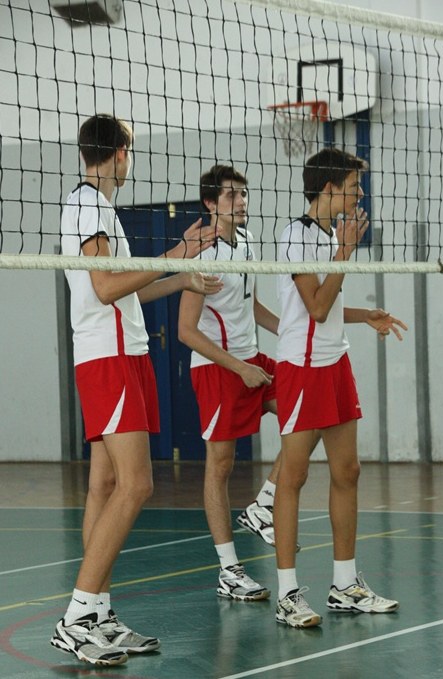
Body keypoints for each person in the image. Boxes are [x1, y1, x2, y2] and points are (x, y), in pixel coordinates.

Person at [50, 113, 222, 666]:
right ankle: (77, 617)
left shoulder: (100, 208)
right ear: (121, 152)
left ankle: (97, 613)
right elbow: (105, 288)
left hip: (122, 352)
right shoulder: (87, 204)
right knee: (137, 484)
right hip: (110, 358)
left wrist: (180, 273)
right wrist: (172, 256)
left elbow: (125, 292)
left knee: (104, 485)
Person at [273, 147, 408, 629]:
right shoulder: (295, 236)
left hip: (334, 362)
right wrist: (345, 254)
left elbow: (326, 306)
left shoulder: (330, 235)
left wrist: (365, 313)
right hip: (302, 367)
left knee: (347, 471)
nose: (360, 195)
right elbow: (313, 308)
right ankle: (287, 594)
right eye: (354, 187)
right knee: (292, 478)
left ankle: (345, 585)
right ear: (329, 188)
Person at [178, 164, 290, 602]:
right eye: (231, 195)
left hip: (253, 359)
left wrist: (292, 332)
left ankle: (263, 507)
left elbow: (250, 304)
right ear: (210, 203)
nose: (241, 202)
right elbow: (186, 331)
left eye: (243, 194)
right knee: (220, 466)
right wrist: (239, 368)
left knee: (306, 416)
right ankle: (229, 570)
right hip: (218, 368)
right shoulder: (201, 255)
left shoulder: (247, 240)